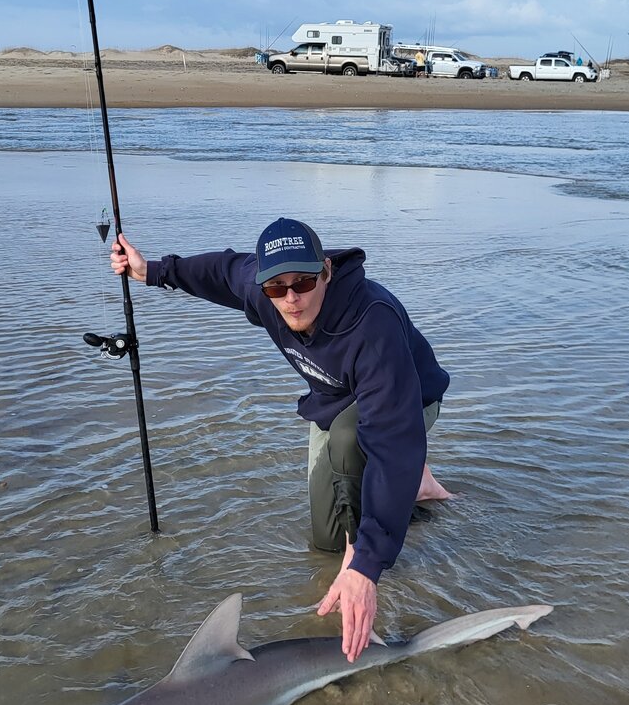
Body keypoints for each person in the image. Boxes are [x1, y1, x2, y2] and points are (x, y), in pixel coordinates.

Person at [110, 217, 452, 663]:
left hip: (409, 404)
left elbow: (392, 442)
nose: (291, 298)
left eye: (303, 282)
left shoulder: (372, 324)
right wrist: (153, 271)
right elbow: (222, 272)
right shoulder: (265, 294)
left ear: (326, 271)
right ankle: (416, 486)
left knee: (352, 446)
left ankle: (405, 487)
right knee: (326, 540)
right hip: (337, 401)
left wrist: (366, 565)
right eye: (276, 287)